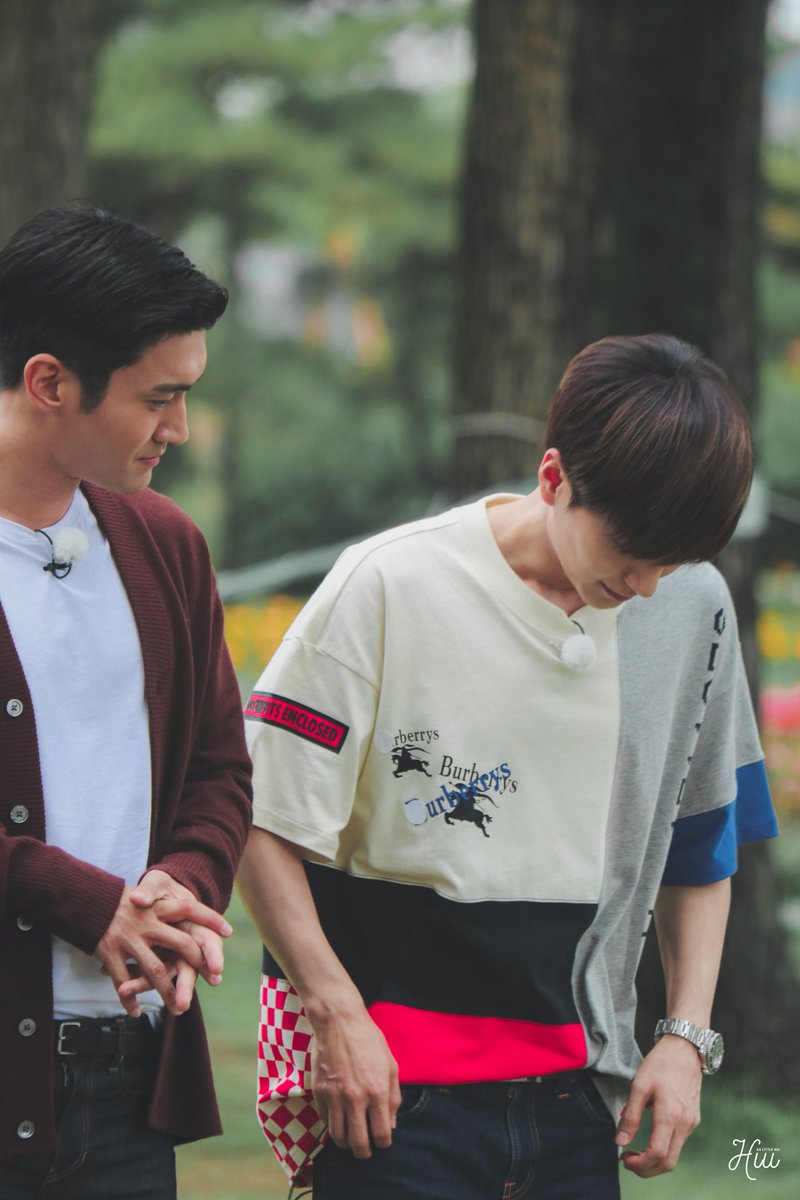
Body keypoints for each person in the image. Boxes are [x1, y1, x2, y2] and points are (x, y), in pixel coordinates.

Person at [238, 333, 778, 1199]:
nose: (647, 586)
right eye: (631, 551)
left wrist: (685, 1037)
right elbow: (258, 817)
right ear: (554, 477)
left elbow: (700, 841)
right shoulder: (389, 583)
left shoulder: (691, 605)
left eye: (673, 562)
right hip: (394, 1098)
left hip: (579, 1103)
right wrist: (334, 1013)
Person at [0, 202, 252, 1199]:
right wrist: (83, 901)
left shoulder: (164, 546)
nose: (178, 430)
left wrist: (179, 887)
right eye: (159, 398)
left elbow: (218, 768)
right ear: (49, 383)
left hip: (126, 1093)